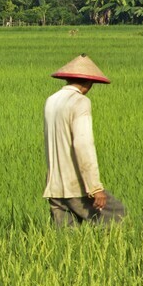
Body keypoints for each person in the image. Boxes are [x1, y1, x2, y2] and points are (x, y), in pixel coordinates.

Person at [43, 54, 126, 227]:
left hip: (54, 185)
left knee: (66, 242)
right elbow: (83, 145)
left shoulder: (51, 100)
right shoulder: (80, 102)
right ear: (89, 82)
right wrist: (95, 188)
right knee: (117, 215)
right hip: (76, 186)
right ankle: (110, 253)